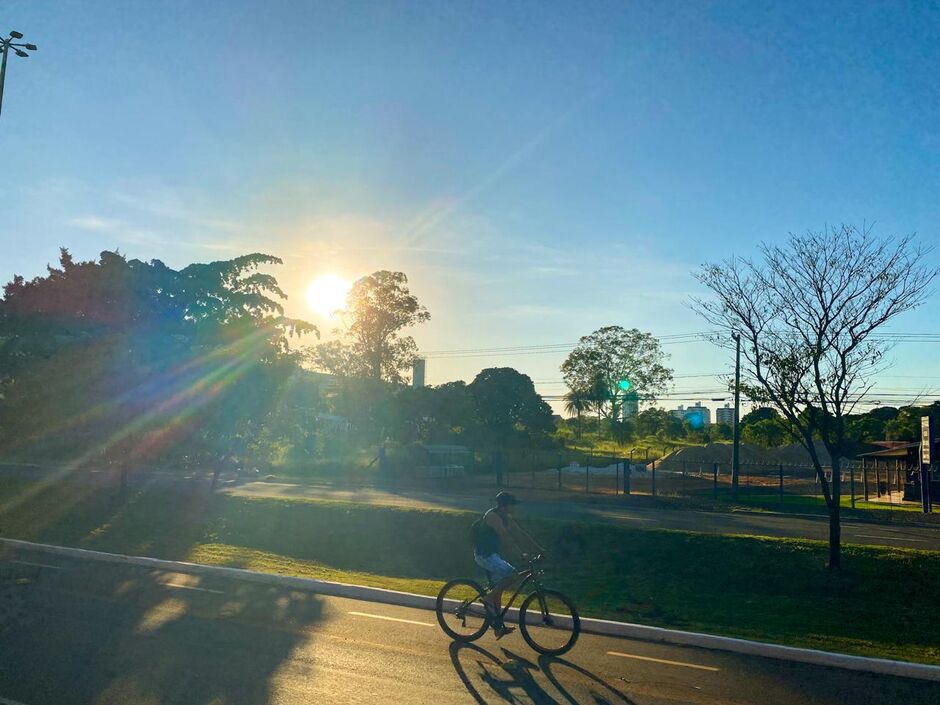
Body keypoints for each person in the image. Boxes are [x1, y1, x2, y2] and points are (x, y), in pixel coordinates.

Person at [471, 491, 545, 638]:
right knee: (512, 575)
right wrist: (521, 554)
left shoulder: (506, 517)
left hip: (493, 555)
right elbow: (506, 537)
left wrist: (540, 549)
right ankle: (487, 598)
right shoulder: (493, 517)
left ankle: (498, 626)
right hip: (484, 555)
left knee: (499, 589)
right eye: (512, 505)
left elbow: (521, 533)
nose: (514, 508)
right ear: (505, 505)